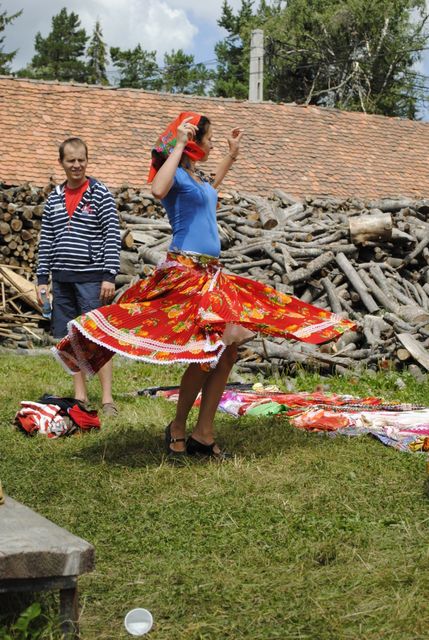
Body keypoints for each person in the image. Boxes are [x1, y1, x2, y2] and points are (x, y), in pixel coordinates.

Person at [52, 113, 355, 458]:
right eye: (209, 140)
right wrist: (179, 144)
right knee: (206, 353)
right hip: (186, 273)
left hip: (211, 274)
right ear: (193, 143)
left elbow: (210, 190)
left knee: (227, 353)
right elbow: (157, 189)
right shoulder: (176, 175)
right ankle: (178, 426)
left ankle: (203, 433)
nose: (212, 145)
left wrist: (231, 155)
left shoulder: (195, 178)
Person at [36, 137, 121, 416]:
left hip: (92, 279)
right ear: (61, 162)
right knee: (69, 338)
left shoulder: (99, 193)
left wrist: (109, 275)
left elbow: (112, 235)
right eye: (71, 160)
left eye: (81, 160)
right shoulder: (54, 198)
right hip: (62, 280)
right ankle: (80, 396)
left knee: (98, 337)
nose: (76, 165)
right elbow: (46, 240)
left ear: (87, 160)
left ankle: (107, 400)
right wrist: (42, 279)